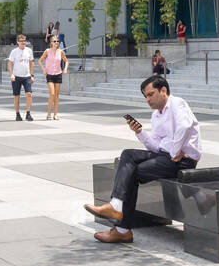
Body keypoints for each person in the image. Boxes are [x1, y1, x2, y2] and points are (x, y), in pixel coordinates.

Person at [84, 75, 201, 243]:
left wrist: (175, 151)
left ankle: (122, 227)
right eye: (145, 96)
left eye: (150, 94)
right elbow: (155, 147)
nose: (147, 99)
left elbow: (185, 126)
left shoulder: (177, 103)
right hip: (165, 156)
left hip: (183, 161)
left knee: (131, 172)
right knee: (128, 154)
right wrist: (139, 132)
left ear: (163, 90)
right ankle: (116, 207)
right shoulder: (156, 116)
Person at [39, 35, 68, 120]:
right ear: (51, 43)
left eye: (57, 41)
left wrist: (65, 69)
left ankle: (55, 114)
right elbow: (40, 61)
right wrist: (44, 69)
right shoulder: (47, 51)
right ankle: (48, 113)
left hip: (58, 74)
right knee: (52, 93)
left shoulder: (61, 52)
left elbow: (66, 61)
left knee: (56, 95)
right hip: (50, 75)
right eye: (54, 41)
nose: (56, 43)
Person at [7, 34, 34, 121]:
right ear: (18, 42)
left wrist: (32, 75)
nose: (23, 42)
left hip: (26, 76)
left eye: (24, 41)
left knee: (29, 94)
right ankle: (17, 114)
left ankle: (28, 113)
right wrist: (11, 74)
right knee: (17, 96)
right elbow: (10, 63)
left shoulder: (29, 50)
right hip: (16, 77)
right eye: (21, 41)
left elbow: (31, 63)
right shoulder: (14, 51)